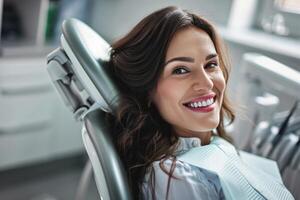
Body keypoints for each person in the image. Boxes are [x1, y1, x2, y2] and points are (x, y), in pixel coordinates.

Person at [105, 6, 294, 200]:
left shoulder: (213, 147)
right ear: (146, 90)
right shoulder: (177, 177)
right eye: (180, 70)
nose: (207, 83)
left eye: (211, 65)